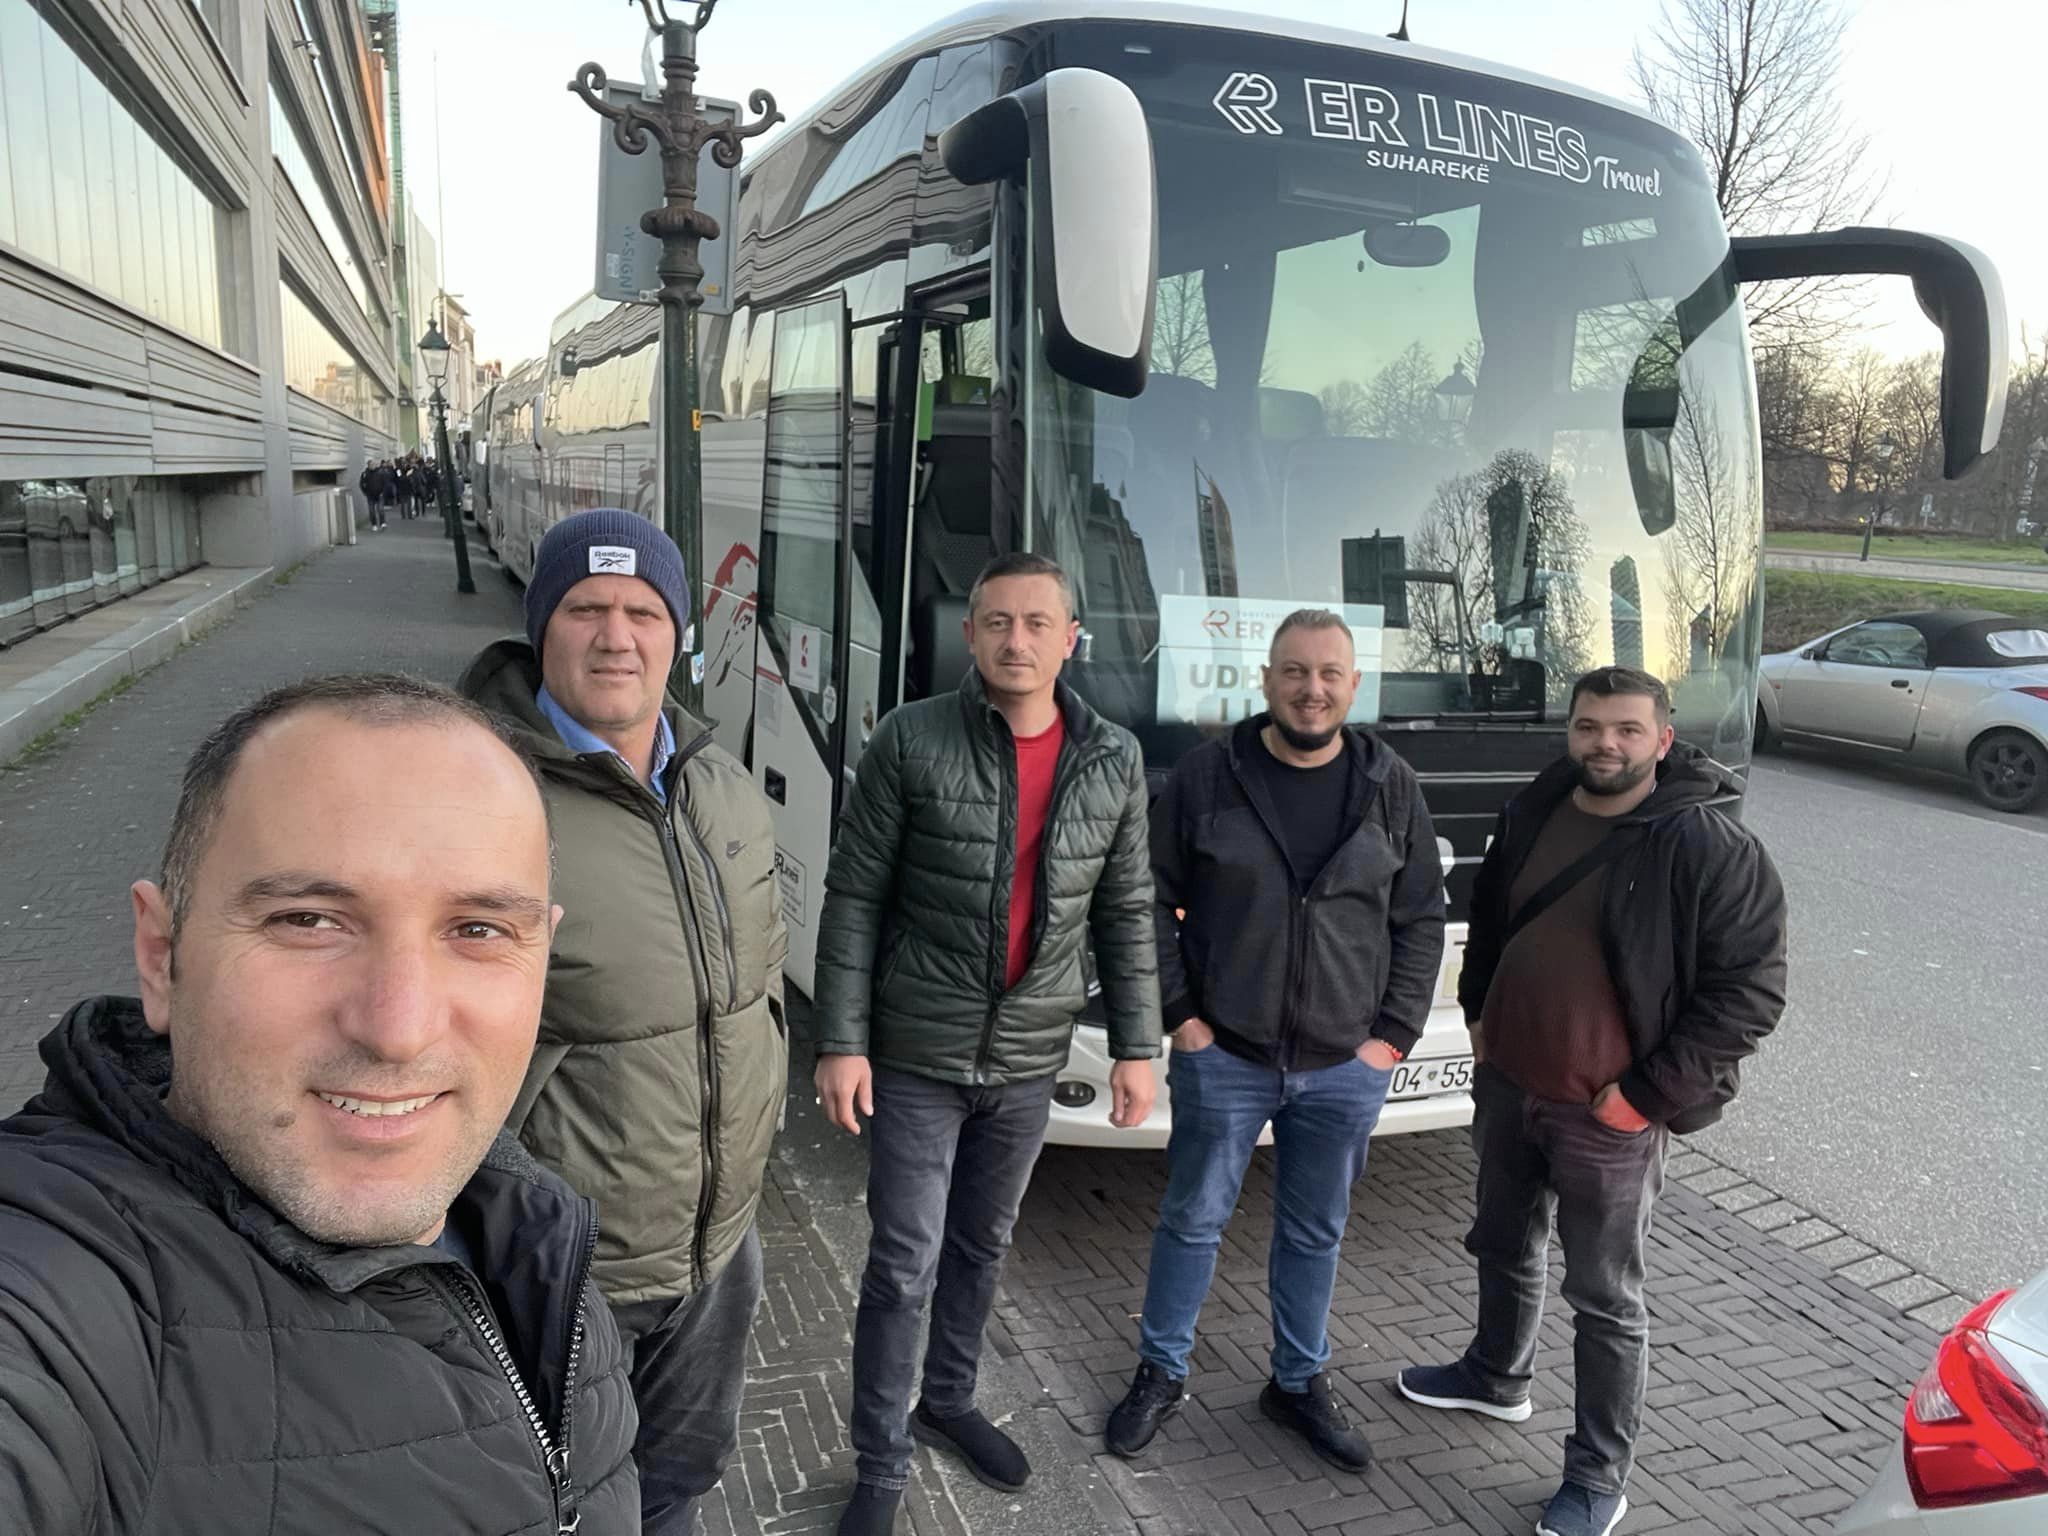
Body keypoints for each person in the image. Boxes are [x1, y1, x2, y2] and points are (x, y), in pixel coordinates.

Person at [0, 673, 640, 1534]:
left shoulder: (530, 1231)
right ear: (161, 957)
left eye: (479, 930)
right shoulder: (58, 1291)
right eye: (307, 920)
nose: (398, 1030)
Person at [814, 552, 1161, 1536]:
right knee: (902, 1263)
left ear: (1070, 639)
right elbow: (855, 895)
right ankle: (880, 1462)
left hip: (1027, 1056)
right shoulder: (911, 737)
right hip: (917, 1051)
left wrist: (1136, 1045)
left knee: (982, 1243)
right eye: (997, 621)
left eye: (1037, 623)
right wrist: (841, 1039)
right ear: (968, 634)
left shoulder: (1113, 758)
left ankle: (949, 1400)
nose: (1017, 640)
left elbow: (1125, 909)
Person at [1397, 665, 1788, 1536]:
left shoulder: (1707, 845)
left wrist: (1645, 1096)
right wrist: (1479, 1020)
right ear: (1569, 731)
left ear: (1663, 740)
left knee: (1606, 1298)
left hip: (1608, 1116)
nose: (1604, 744)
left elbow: (1750, 995)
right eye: (1588, 726)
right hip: (1511, 1086)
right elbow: (1492, 919)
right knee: (1501, 1242)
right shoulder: (1536, 808)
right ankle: (1496, 1376)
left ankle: (1598, 1476)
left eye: (1625, 729)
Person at [462, 507, 786, 1536]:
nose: (617, 637)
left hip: (717, 1249)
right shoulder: (477, 800)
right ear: (540, 630)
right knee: (565, 1502)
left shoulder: (722, 786)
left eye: (644, 612)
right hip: (570, 1269)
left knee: (677, 1482)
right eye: (586, 610)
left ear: (677, 634)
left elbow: (759, 986)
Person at [1104, 609, 1446, 1471]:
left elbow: (1420, 919)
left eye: (1329, 674)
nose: (1311, 690)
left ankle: (1297, 1381)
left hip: (1344, 1065)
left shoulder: (1390, 784)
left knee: (1314, 1232)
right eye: (1295, 672)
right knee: (1192, 1220)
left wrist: (1391, 1038)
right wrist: (1182, 1019)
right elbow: (1147, 900)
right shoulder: (1208, 775)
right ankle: (1160, 1372)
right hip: (1226, 1055)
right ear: (1266, 680)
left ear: (1354, 686)